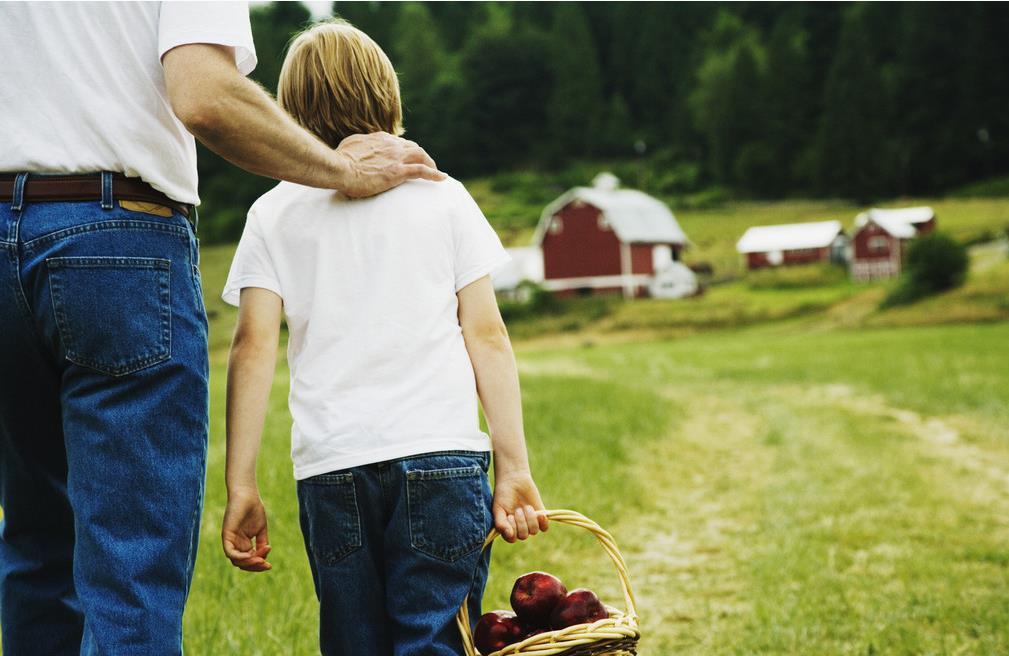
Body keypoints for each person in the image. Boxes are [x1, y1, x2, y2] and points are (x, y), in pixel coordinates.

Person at [0, 2, 442, 654]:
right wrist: (343, 171)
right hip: (114, 238)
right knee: (130, 561)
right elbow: (204, 95)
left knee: (36, 538)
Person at [220, 19, 548, 655]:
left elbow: (252, 347)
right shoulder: (443, 197)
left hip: (332, 469)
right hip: (441, 461)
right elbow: (487, 336)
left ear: (290, 114)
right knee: (437, 641)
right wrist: (514, 465)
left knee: (353, 643)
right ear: (388, 98)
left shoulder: (272, 213)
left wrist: (241, 486)